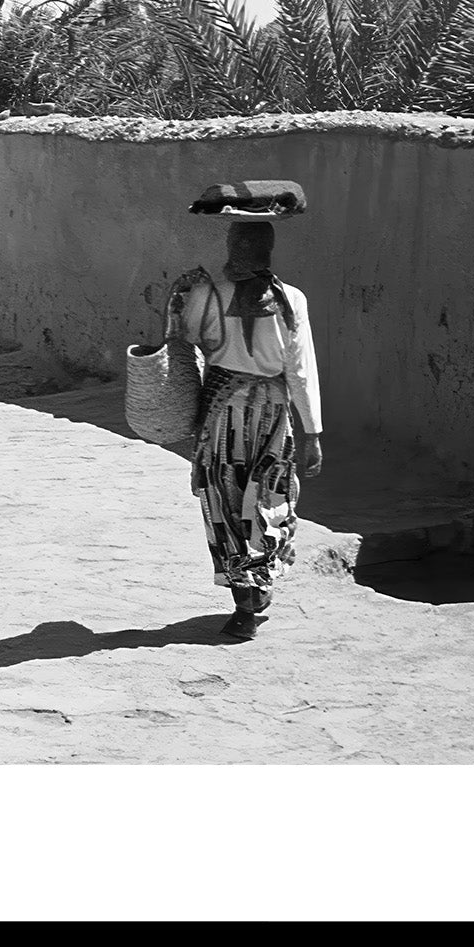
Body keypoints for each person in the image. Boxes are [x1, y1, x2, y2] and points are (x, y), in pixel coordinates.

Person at [168, 184, 324, 643]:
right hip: (274, 414)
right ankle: (255, 593)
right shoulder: (291, 299)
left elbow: (178, 345)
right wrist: (312, 432)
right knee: (267, 496)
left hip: (222, 412)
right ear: (268, 252)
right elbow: (300, 370)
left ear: (230, 248)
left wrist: (177, 301)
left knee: (225, 500)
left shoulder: (206, 294)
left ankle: (245, 601)